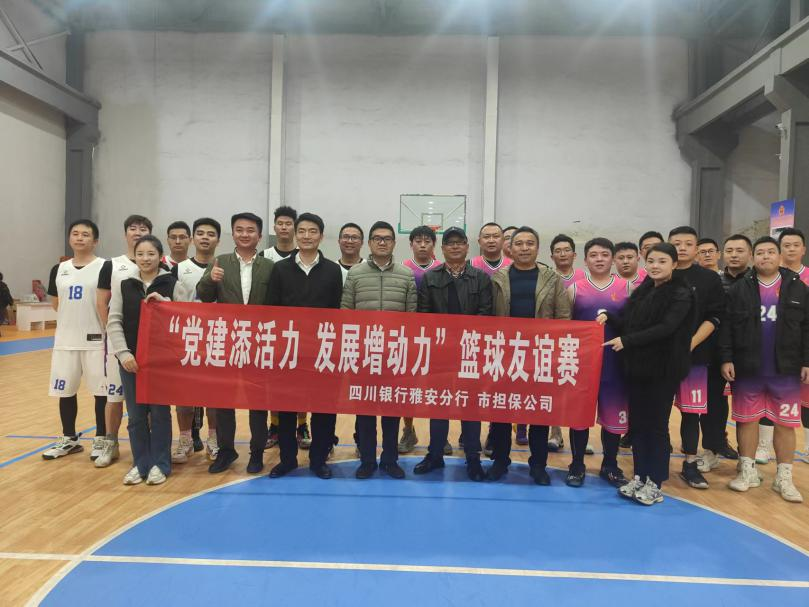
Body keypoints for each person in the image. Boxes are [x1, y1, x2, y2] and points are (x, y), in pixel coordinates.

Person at [602, 243, 695, 506]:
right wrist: (608, 316)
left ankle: (655, 481)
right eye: (651, 261)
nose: (655, 266)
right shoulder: (644, 289)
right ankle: (640, 476)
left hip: (663, 370)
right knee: (639, 425)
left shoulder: (681, 293)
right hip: (638, 368)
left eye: (662, 261)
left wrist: (627, 341)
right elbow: (629, 323)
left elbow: (666, 328)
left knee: (656, 426)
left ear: (674, 264)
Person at [720, 236, 805, 502]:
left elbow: (807, 327)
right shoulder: (739, 289)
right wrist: (726, 358)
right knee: (747, 420)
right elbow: (726, 327)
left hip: (786, 370)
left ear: (780, 256)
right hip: (748, 368)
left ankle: (784, 477)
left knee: (785, 424)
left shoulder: (798, 287)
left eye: (770, 252)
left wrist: (807, 361)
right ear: (752, 257)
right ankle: (747, 471)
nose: (765, 256)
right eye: (760, 252)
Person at [490, 226, 571, 484]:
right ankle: (500, 461)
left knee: (539, 412)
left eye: (530, 243)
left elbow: (563, 317)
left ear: (537, 247)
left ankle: (538, 466)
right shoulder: (498, 278)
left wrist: (555, 352)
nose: (524, 248)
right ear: (510, 248)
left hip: (540, 355)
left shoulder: (552, 278)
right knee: (501, 411)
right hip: (505, 355)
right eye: (519, 243)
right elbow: (488, 317)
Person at [266, 213, 343, 480]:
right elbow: (271, 310)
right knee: (286, 408)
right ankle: (287, 460)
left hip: (323, 351)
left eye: (312, 231)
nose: (307, 236)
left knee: (324, 409)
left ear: (321, 236)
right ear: (295, 234)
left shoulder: (333, 270)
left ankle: (318, 460)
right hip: (289, 351)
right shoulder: (280, 269)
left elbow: (337, 312)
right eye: (302, 231)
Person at [198, 212, 275, 474]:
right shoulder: (219, 262)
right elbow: (203, 296)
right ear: (233, 234)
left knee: (258, 402)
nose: (245, 234)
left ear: (259, 236)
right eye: (240, 230)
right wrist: (210, 279)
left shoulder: (269, 266)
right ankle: (226, 451)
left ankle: (256, 452)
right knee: (223, 400)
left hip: (259, 343)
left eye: (250, 230)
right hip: (228, 341)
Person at [413, 227, 492, 481]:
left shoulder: (481, 278)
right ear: (443, 248)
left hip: (470, 352)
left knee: (470, 408)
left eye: (460, 242)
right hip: (440, 353)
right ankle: (435, 454)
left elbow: (486, 314)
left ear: (467, 247)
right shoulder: (430, 277)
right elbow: (423, 314)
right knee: (439, 406)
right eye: (450, 243)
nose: (455, 246)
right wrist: (442, 342)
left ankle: (473, 459)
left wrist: (466, 340)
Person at [107, 235, 186, 485]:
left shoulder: (173, 283)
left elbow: (186, 317)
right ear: (134, 256)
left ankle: (160, 464)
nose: (145, 259)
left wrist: (166, 303)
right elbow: (114, 321)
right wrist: (123, 353)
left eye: (151, 254)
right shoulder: (124, 285)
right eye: (140, 254)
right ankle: (140, 463)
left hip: (161, 363)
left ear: (160, 256)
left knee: (160, 414)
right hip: (131, 362)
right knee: (136, 416)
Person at [342, 220, 417, 480]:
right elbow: (346, 313)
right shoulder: (355, 274)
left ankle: (390, 459)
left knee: (392, 412)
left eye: (387, 238)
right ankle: (366, 460)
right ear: (370, 243)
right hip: (364, 355)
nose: (382, 242)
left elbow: (412, 317)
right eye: (377, 238)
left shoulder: (406, 275)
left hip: (394, 355)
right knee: (365, 412)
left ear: (394, 243)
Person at [42, 220, 108, 461]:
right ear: (70, 238)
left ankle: (101, 438)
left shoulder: (105, 267)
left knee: (101, 393)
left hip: (96, 340)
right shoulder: (59, 269)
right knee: (65, 391)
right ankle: (69, 438)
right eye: (75, 234)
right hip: (65, 341)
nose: (80, 238)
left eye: (86, 234)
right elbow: (56, 303)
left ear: (95, 240)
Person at [567, 238, 629, 488]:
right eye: (594, 255)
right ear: (585, 260)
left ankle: (610, 464)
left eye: (605, 254)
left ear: (613, 259)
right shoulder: (574, 289)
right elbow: (565, 327)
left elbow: (633, 325)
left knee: (613, 416)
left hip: (616, 364)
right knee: (579, 416)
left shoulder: (627, 288)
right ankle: (576, 464)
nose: (599, 259)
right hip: (582, 365)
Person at [668, 226, 724, 489]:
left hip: (695, 357)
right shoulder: (659, 273)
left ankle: (690, 463)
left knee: (691, 413)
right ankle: (655, 460)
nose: (682, 248)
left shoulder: (709, 279)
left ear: (696, 247)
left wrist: (689, 343)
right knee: (657, 411)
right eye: (676, 243)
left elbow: (715, 316)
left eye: (688, 243)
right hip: (660, 358)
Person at [94, 214, 152, 468]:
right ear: (125, 233)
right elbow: (101, 302)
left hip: (149, 344)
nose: (137, 232)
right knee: (114, 396)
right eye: (133, 228)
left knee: (148, 398)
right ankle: (111, 442)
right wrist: (114, 335)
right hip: (119, 343)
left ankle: (147, 445)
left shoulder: (158, 263)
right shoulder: (112, 265)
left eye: (143, 228)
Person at [170, 217, 221, 464]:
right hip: (187, 339)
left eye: (211, 234)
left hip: (217, 339)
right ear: (193, 239)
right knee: (184, 396)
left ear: (218, 240)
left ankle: (213, 439)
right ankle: (185, 439)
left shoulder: (225, 267)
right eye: (200, 233)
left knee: (215, 395)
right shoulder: (179, 269)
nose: (205, 238)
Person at [263, 206, 309, 449]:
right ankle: (275, 425)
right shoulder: (265, 256)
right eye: (280, 223)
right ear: (274, 227)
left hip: (304, 333)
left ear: (295, 228)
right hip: (276, 332)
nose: (284, 227)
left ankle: (302, 424)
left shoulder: (305, 256)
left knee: (302, 384)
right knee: (275, 384)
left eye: (288, 223)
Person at [400, 226, 444, 455]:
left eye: (428, 240)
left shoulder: (443, 269)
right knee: (407, 387)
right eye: (418, 240)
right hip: (408, 338)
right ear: (411, 244)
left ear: (434, 245)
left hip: (437, 339)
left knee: (439, 387)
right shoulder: (403, 268)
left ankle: (441, 436)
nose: (423, 244)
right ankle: (408, 430)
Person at [549, 233, 587, 453]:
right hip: (554, 341)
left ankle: (580, 433)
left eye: (566, 250)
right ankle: (555, 434)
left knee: (578, 390)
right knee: (555, 388)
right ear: (551, 256)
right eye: (558, 251)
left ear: (574, 254)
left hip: (580, 343)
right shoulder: (547, 277)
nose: (562, 254)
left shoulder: (585, 277)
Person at [775, 228, 809, 464]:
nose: (791, 249)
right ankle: (764, 446)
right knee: (773, 397)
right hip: (777, 350)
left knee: (806, 400)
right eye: (786, 245)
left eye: (796, 245)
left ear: (803, 249)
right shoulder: (770, 277)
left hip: (803, 347)